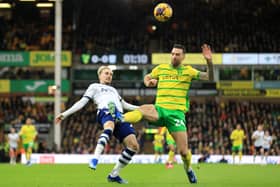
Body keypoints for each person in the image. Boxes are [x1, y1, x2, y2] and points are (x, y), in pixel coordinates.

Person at [122, 43, 214, 183]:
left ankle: (188, 169)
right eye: (172, 54)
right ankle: (119, 119)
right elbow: (147, 76)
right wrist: (148, 82)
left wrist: (209, 61)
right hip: (160, 109)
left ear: (183, 57)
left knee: (183, 151)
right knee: (142, 109)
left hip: (176, 114)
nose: (174, 56)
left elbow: (209, 77)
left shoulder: (188, 71)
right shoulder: (161, 68)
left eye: (177, 54)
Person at [55, 65, 140, 184]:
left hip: (121, 116)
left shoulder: (114, 90)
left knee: (134, 146)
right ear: (99, 75)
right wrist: (64, 114)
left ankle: (114, 174)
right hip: (105, 111)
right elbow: (81, 102)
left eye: (110, 74)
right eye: (106, 73)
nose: (109, 76)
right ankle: (95, 158)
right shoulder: (94, 87)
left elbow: (125, 105)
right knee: (109, 127)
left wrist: (141, 108)